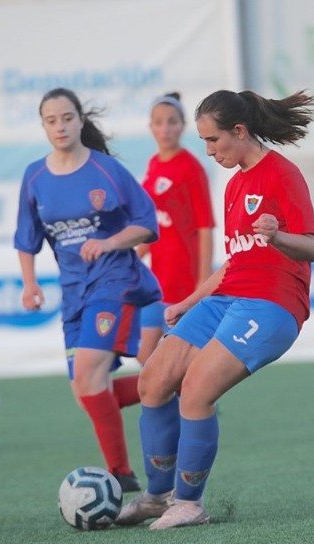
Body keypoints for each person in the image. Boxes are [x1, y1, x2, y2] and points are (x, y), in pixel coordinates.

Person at [117, 89, 314, 530]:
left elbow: (311, 247)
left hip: (272, 306)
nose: (208, 151)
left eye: (213, 141)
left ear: (240, 131)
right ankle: (157, 495)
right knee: (153, 381)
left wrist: (278, 237)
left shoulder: (283, 175)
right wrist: (190, 301)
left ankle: (189, 503)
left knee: (195, 389)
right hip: (226, 298)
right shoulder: (234, 184)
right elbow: (234, 263)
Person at [14, 88, 161, 492]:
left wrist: (111, 242)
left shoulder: (105, 170)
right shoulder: (35, 177)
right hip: (73, 293)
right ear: (43, 125)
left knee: (87, 373)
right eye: (51, 120)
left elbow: (148, 223)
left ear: (80, 120)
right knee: (85, 390)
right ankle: (170, 383)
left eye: (67, 117)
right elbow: (26, 239)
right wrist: (29, 284)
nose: (60, 126)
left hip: (116, 282)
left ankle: (121, 474)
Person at [136, 92, 215, 364]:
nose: (165, 128)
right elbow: (154, 224)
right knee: (145, 356)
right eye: (158, 122)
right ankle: (171, 406)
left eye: (172, 121)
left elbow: (205, 226)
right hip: (157, 280)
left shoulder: (191, 168)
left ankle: (199, 406)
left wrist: (203, 280)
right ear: (150, 126)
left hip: (184, 279)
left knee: (180, 361)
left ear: (183, 125)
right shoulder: (153, 165)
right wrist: (134, 257)